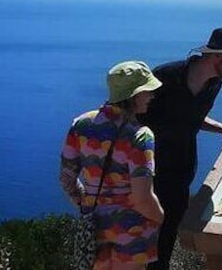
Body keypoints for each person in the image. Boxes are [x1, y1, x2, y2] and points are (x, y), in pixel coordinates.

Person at [138, 27, 222, 270]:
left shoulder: (214, 85)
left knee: (166, 238)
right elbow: (133, 117)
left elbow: (193, 117)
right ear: (218, 56)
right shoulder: (164, 78)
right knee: (137, 239)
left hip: (180, 172)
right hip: (147, 172)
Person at [60, 60, 166, 270]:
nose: (152, 96)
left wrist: (84, 202)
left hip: (94, 222)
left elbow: (66, 178)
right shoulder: (140, 136)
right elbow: (142, 198)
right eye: (148, 91)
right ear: (135, 95)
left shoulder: (81, 124)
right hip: (131, 228)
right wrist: (161, 218)